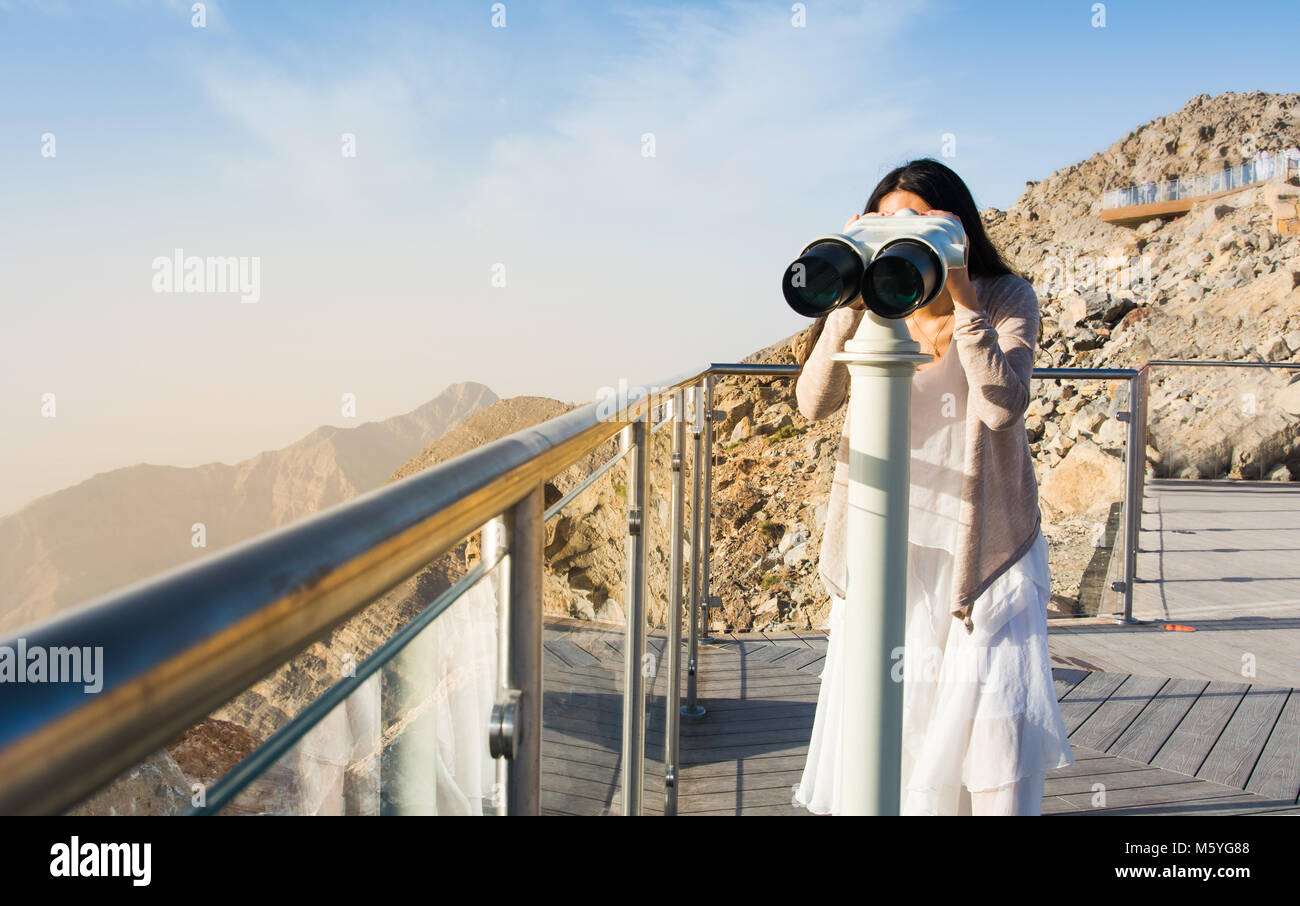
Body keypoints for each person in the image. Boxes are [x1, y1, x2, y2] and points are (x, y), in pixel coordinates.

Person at [791, 158, 1073, 816]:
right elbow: (812, 403)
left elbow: (1003, 404)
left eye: (915, 220)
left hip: (983, 552)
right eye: (884, 222)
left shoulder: (1007, 299)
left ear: (956, 228)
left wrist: (966, 301)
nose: (899, 235)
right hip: (891, 546)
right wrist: (844, 306)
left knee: (992, 733)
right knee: (892, 732)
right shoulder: (874, 311)